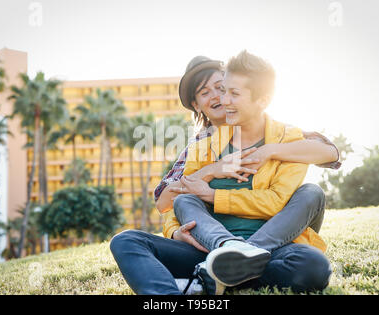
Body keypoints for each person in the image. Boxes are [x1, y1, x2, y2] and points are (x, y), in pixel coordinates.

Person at [110, 54, 339, 295]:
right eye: (205, 92)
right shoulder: (199, 146)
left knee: (312, 256)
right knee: (129, 239)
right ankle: (207, 274)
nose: (221, 98)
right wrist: (210, 174)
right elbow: (169, 202)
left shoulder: (285, 136)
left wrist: (270, 150)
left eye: (223, 89)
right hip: (210, 246)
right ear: (196, 105)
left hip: (270, 246)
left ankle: (213, 276)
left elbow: (329, 152)